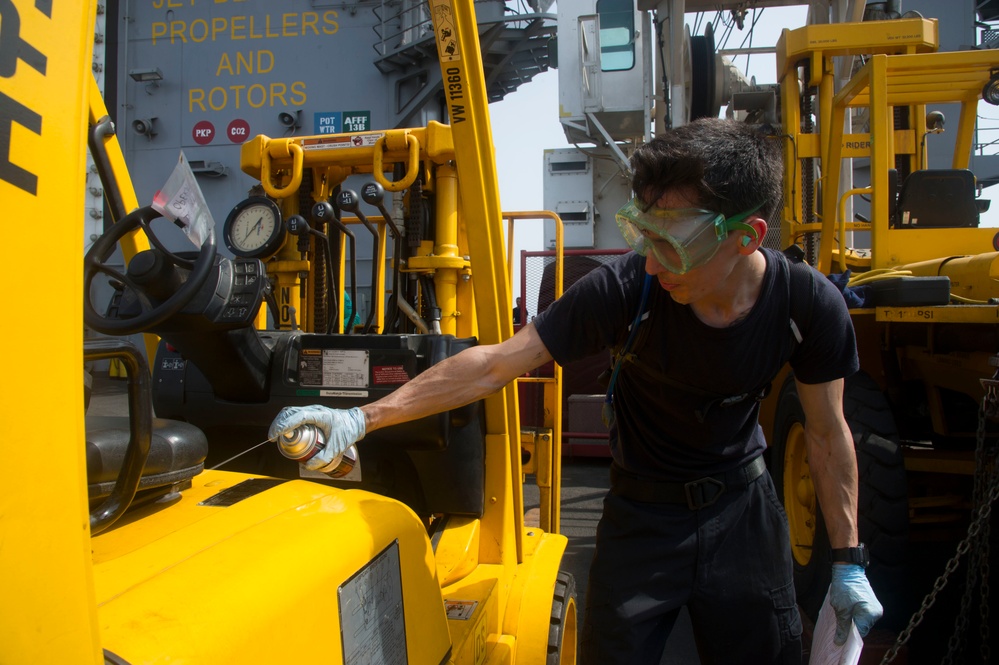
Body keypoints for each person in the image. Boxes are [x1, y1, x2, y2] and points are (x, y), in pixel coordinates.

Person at [269, 118, 882, 664]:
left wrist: (848, 562)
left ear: (746, 237)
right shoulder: (627, 289)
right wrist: (362, 419)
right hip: (643, 515)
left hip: (743, 512)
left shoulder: (807, 304)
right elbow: (495, 364)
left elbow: (827, 433)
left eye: (672, 241)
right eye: (644, 233)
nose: (651, 260)